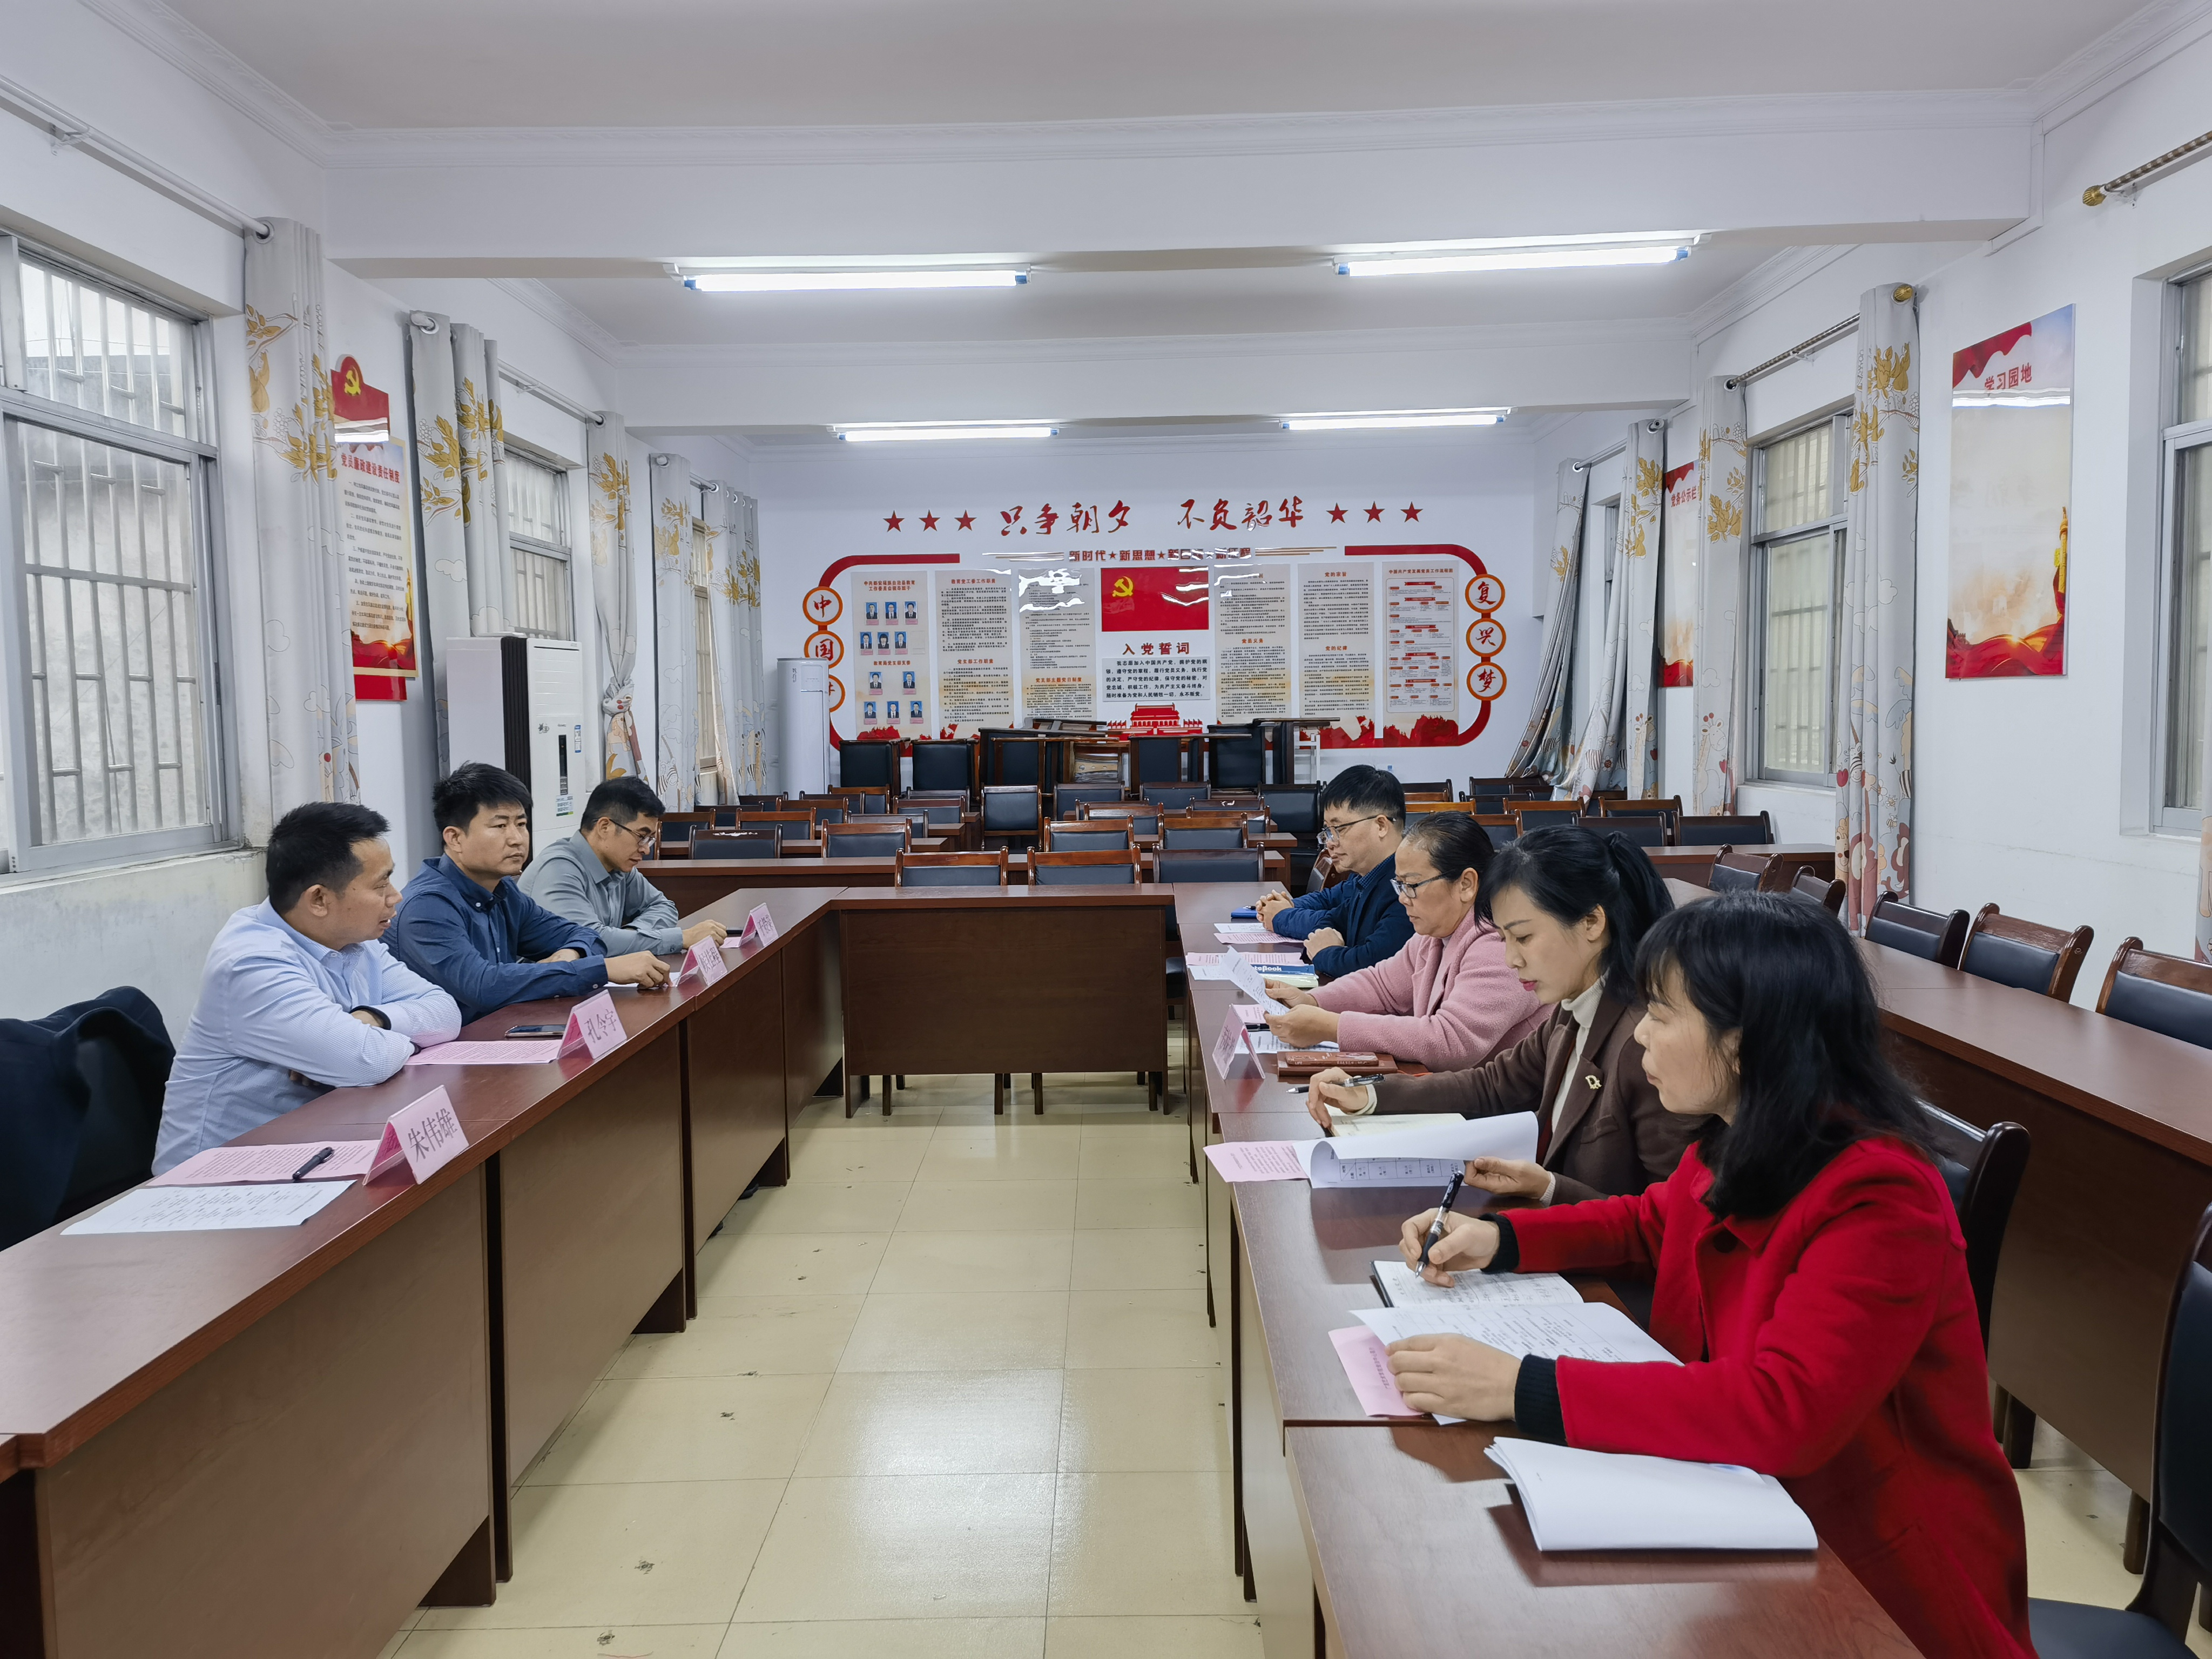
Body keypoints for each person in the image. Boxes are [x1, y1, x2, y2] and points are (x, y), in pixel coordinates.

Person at [1386, 893, 2034, 1659]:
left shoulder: (1880, 1195)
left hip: (1881, 1579)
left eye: (1662, 1016)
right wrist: (1497, 1238)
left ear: (1746, 1040)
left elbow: (1784, 1410)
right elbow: (1649, 1222)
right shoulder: (1742, 1135)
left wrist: (1519, 1387)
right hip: (1744, 1512)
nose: (1642, 1038)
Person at [1307, 825, 1692, 1206]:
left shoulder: (1644, 1043)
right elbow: (1492, 1084)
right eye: (1506, 939)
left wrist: (1548, 1189)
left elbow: (1670, 1219)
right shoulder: (1572, 1012)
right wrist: (1370, 1093)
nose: (1510, 959)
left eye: (1523, 938)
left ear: (1592, 923)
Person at [153, 801, 462, 1172]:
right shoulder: (251, 963)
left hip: (310, 1153)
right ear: (319, 899)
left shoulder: (354, 941)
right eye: (381, 885)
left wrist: (372, 1020)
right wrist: (373, 1042)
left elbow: (446, 1013)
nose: (395, 897)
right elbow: (367, 1062)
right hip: (217, 1180)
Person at [389, 763, 670, 1024]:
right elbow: (482, 986)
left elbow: (586, 936)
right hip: (446, 1051)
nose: (517, 839)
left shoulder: (504, 891)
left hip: (501, 1033)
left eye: (521, 824)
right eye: (500, 826)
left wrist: (571, 953)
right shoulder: (427, 906)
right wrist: (602, 969)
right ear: (455, 838)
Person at [1261, 811, 1544, 1069]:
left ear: (1466, 884)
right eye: (1400, 885)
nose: (1402, 898)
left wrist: (1333, 1026)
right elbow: (1381, 986)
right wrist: (1313, 1001)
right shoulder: (1435, 933)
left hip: (1506, 1104)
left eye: (1412, 885)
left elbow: (1450, 1040)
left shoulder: (1499, 942)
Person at [520, 776, 727, 959]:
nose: (646, 849)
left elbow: (664, 907)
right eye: (641, 836)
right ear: (605, 827)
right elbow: (589, 941)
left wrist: (631, 936)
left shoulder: (618, 867)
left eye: (650, 839)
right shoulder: (558, 870)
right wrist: (681, 938)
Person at [1252, 765, 1415, 979]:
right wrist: (1285, 908)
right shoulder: (1367, 876)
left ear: (1381, 826)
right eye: (1328, 831)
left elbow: (1371, 965)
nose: (1330, 842)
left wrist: (1324, 952)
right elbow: (1334, 918)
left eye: (1339, 829)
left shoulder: (1407, 886)